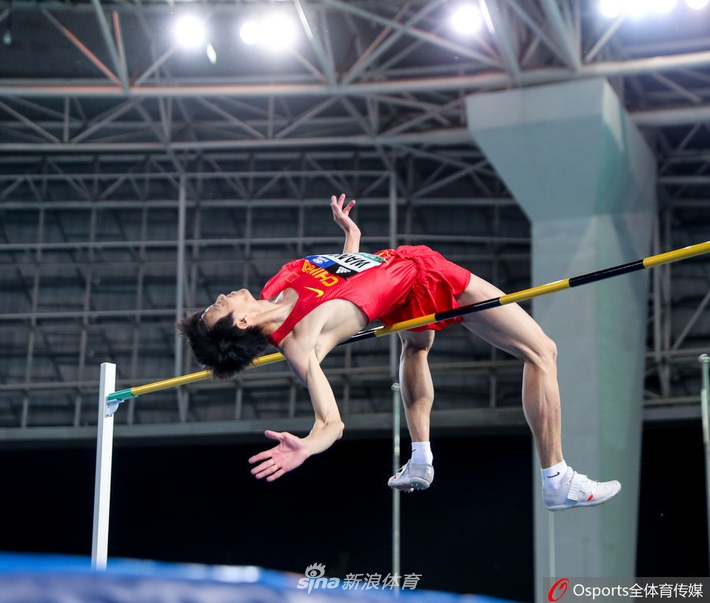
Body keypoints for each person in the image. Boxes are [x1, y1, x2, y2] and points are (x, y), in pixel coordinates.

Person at [178, 195, 620, 510]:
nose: (222, 296)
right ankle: (556, 479)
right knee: (542, 351)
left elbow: (342, 285)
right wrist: (308, 446)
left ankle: (421, 460)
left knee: (417, 344)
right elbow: (331, 422)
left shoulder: (278, 284)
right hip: (426, 276)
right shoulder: (299, 343)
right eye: (218, 306)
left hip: (399, 282)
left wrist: (351, 238)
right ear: (240, 323)